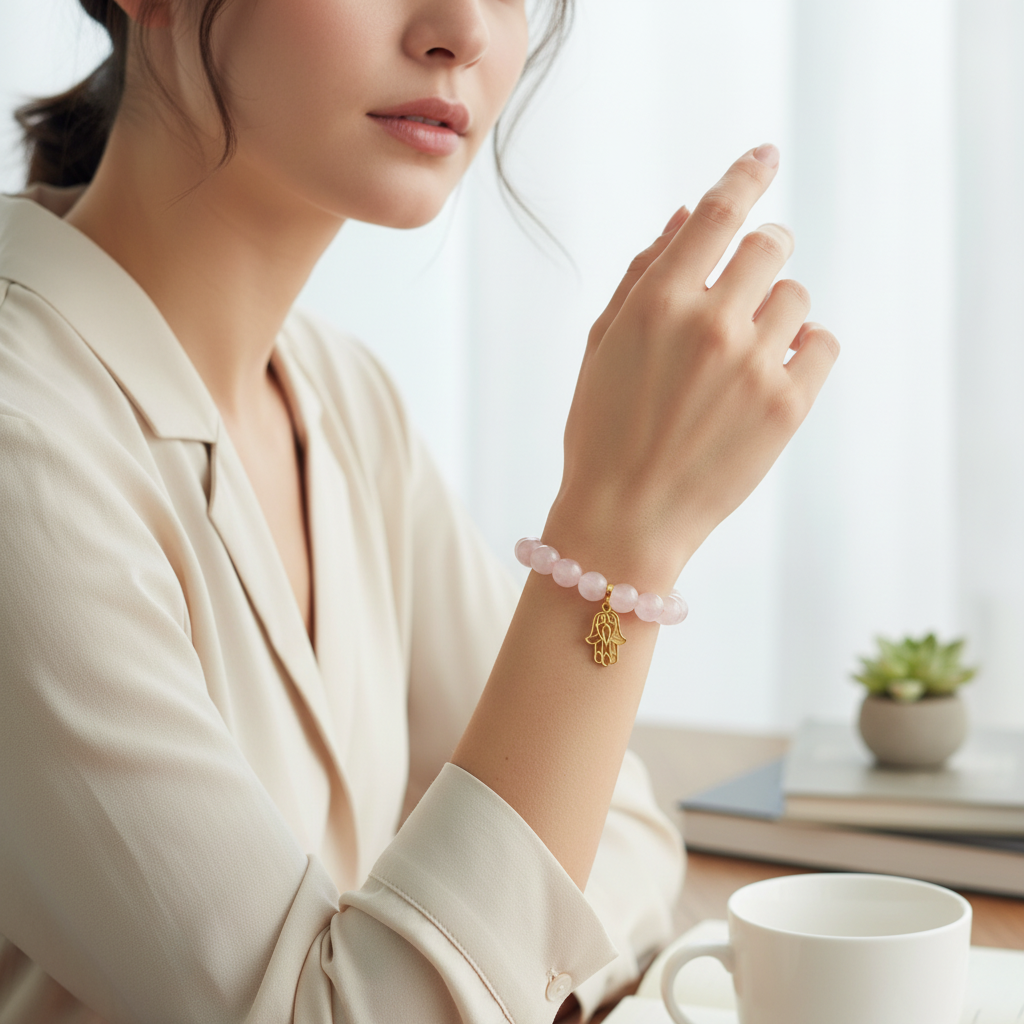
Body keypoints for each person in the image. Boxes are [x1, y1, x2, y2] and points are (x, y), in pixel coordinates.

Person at [0, 0, 839, 1021]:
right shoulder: (24, 440)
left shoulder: (342, 400)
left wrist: (452, 967)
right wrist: (618, 534)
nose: (462, 30)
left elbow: (621, 827)